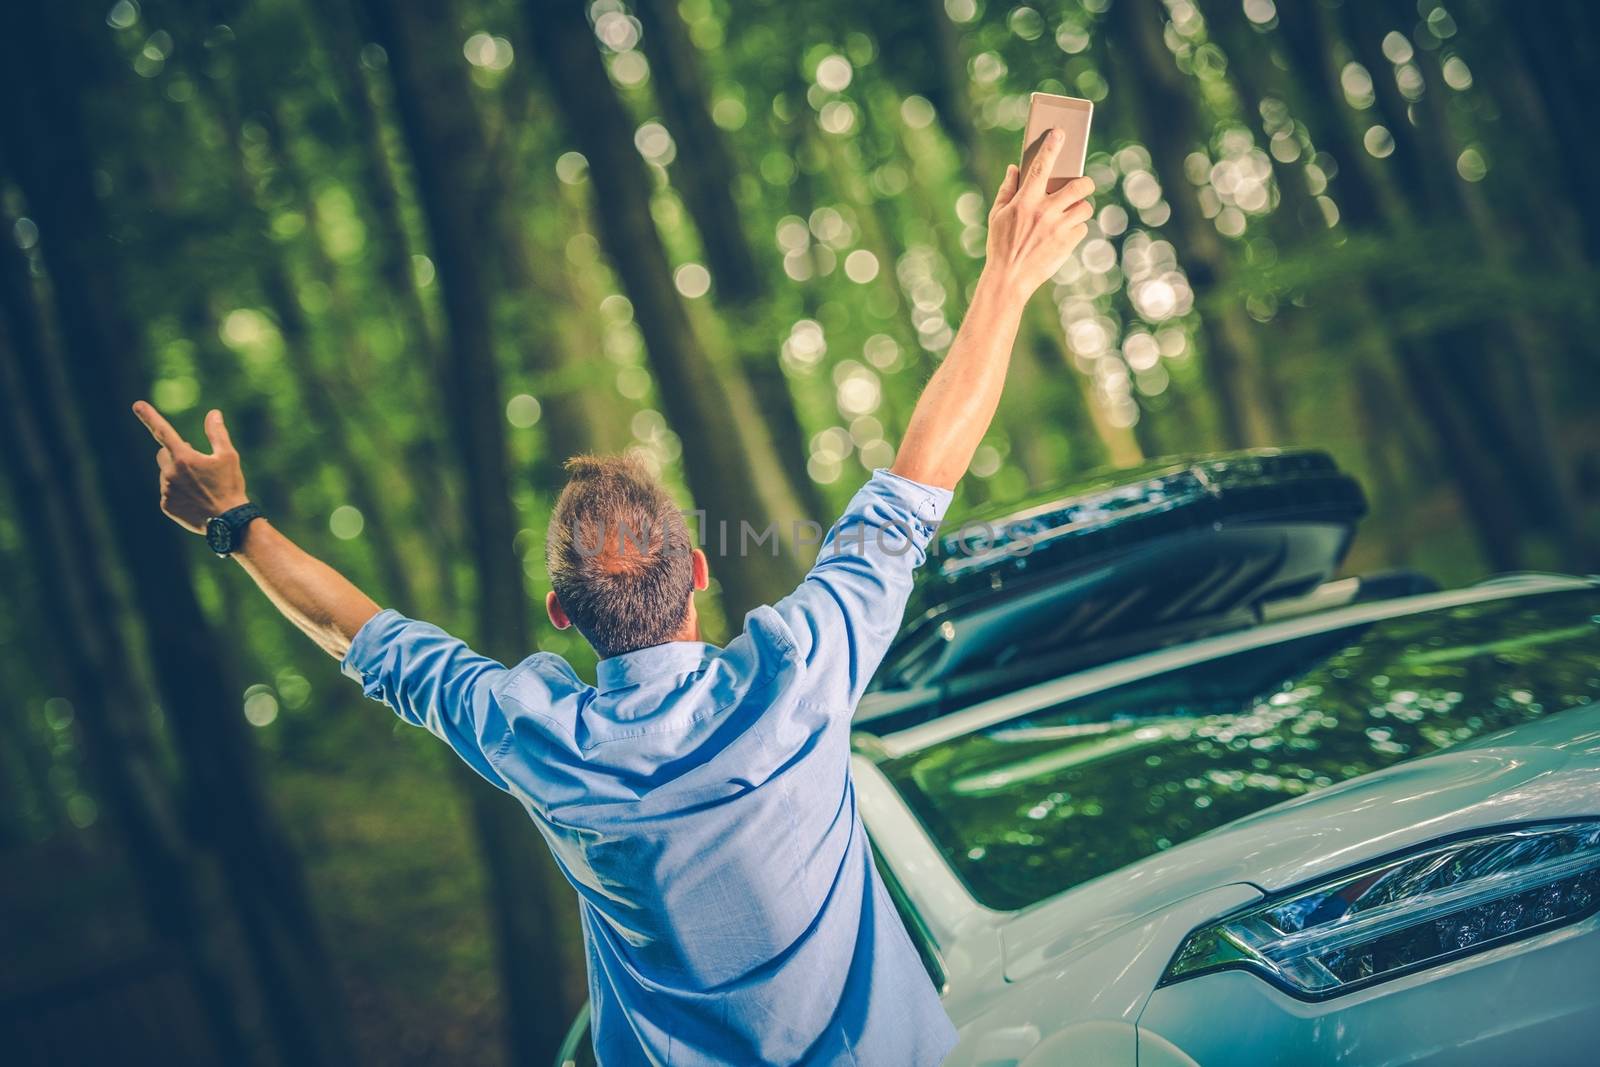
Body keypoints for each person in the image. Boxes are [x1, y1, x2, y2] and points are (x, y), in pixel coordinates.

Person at [134, 131, 1093, 1067]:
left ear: (564, 612)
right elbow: (922, 476)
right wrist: (1007, 277)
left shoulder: (538, 739)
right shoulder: (799, 671)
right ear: (700, 572)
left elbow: (366, 637)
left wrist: (236, 523)